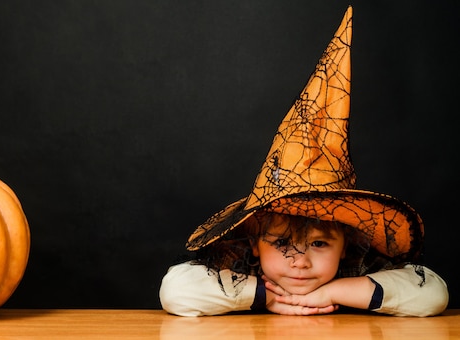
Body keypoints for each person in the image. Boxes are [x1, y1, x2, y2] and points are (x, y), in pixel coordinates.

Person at [159, 6, 448, 317]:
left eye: (320, 244)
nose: (300, 261)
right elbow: (175, 290)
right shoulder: (242, 266)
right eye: (282, 242)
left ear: (345, 246)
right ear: (256, 245)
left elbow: (433, 293)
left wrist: (339, 290)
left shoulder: (358, 267)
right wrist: (263, 296)